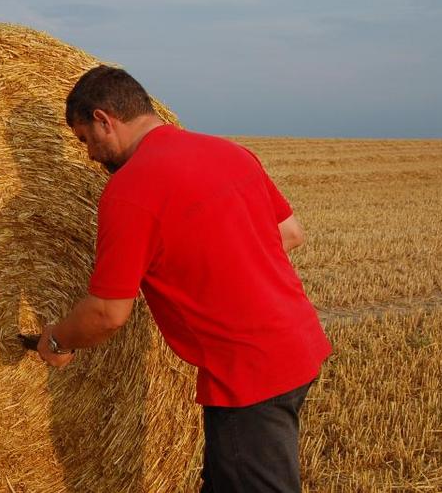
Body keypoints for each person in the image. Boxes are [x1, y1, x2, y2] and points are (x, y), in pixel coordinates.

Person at [36, 65, 332, 492]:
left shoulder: (129, 191)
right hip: (298, 345)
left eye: (86, 139)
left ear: (104, 119)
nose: (89, 155)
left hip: (246, 374)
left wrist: (58, 339)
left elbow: (107, 313)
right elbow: (290, 234)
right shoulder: (228, 152)